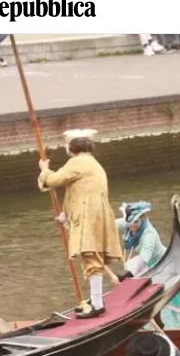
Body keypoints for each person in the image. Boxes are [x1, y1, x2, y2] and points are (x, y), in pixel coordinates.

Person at [38, 128, 123, 318]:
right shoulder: (92, 163)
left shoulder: (77, 163)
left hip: (88, 215)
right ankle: (95, 300)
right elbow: (77, 192)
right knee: (93, 257)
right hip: (95, 213)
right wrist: (66, 216)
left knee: (91, 258)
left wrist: (44, 170)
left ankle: (98, 305)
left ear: (71, 147)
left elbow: (53, 180)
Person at [116, 200, 180, 328]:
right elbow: (111, 225)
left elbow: (144, 258)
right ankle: (149, 321)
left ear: (142, 219)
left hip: (162, 266)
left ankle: (161, 324)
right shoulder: (129, 224)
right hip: (148, 266)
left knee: (156, 297)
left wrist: (126, 276)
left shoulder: (149, 234)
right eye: (129, 223)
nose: (132, 226)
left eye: (135, 222)